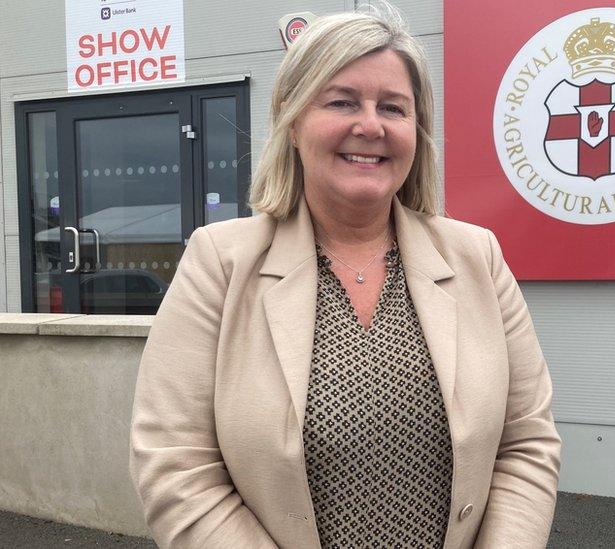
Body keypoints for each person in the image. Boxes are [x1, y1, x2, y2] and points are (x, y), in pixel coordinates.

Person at [128, 7, 561, 549]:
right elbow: (176, 464)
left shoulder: (478, 257)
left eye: (394, 108)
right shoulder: (220, 262)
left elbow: (526, 444)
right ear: (291, 119)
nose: (371, 126)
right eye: (342, 102)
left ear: (416, 131)